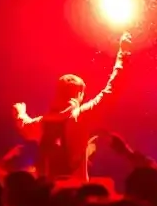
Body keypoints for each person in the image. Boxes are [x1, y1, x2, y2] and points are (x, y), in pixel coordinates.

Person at [13, 32, 131, 182]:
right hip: (76, 197)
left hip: (47, 196)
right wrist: (123, 53)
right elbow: (113, 89)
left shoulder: (40, 123)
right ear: (79, 94)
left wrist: (20, 112)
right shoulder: (81, 117)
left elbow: (23, 124)